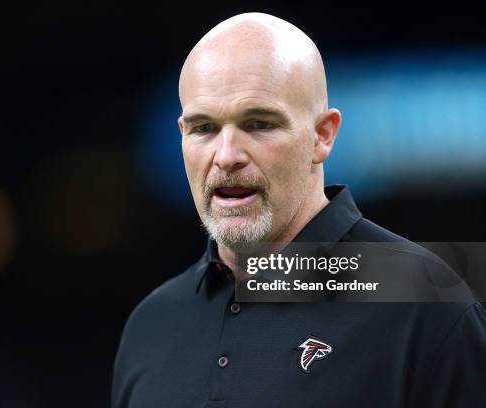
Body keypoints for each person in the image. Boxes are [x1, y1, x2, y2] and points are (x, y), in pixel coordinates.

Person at [112, 12, 486, 408]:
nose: (226, 156)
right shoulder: (150, 325)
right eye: (204, 128)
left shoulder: (427, 302)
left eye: (258, 124)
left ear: (322, 136)